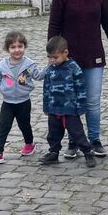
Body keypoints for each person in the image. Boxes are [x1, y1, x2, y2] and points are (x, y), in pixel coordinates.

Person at [47, 0, 108, 157]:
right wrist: (53, 54)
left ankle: (95, 139)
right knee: (71, 102)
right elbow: (54, 26)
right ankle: (74, 141)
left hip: (93, 57)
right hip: (68, 60)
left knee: (92, 102)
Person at [0, 30, 41, 164]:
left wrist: (50, 67)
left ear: (24, 47)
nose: (17, 50)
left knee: (24, 125)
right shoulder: (2, 66)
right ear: (7, 49)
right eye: (13, 47)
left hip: (24, 102)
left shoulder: (29, 64)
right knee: (3, 126)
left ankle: (29, 144)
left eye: (20, 46)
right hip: (7, 103)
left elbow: (38, 75)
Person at [39, 36, 97, 167]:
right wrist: (46, 105)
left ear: (65, 53)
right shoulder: (50, 69)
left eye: (55, 57)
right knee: (53, 133)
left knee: (77, 133)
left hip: (70, 109)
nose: (52, 60)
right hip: (54, 108)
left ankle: (88, 152)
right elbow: (46, 87)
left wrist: (81, 106)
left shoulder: (73, 68)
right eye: (50, 57)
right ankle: (53, 153)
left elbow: (81, 88)